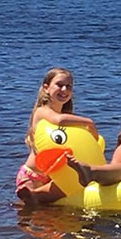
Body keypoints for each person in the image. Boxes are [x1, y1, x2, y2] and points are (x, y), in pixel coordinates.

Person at [16, 67, 99, 206]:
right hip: (33, 175)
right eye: (59, 85)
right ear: (46, 88)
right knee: (30, 217)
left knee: (49, 219)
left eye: (69, 87)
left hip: (52, 176)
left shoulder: (68, 117)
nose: (64, 90)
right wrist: (89, 123)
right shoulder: (42, 111)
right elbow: (58, 120)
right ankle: (34, 196)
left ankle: (36, 198)